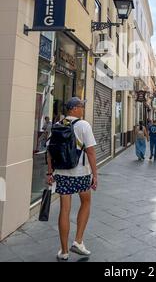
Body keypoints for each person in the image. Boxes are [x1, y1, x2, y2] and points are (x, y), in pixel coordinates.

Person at [47, 97, 98, 261]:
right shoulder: (84, 125)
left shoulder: (57, 125)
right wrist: (95, 175)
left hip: (62, 173)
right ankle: (78, 241)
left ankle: (63, 251)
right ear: (74, 108)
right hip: (81, 173)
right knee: (86, 202)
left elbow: (50, 151)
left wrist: (50, 173)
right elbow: (90, 152)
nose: (82, 109)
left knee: (64, 210)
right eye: (81, 106)